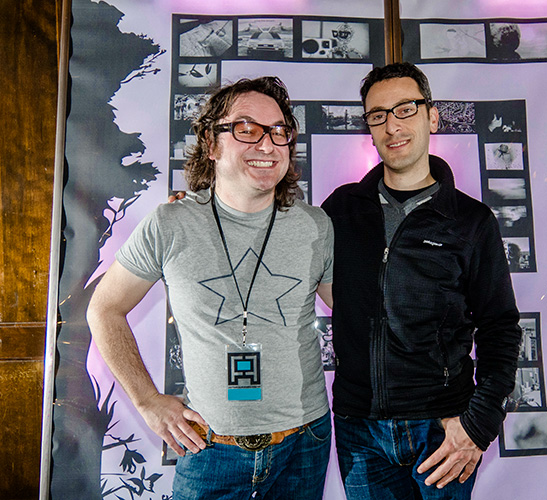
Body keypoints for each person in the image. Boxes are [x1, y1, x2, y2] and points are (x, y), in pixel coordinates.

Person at [87, 76, 334, 500]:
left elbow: (356, 309)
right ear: (211, 143)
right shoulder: (171, 223)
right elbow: (104, 310)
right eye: (246, 128)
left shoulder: (316, 225)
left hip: (304, 444)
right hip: (210, 447)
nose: (267, 143)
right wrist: (146, 400)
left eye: (279, 131)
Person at [321, 62, 522, 499]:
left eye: (405, 109)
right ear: (369, 128)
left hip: (441, 428)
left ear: (432, 116)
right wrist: (202, 205)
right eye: (378, 115)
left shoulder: (471, 221)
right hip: (359, 430)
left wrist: (478, 425)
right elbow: (275, 235)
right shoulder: (341, 209)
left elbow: (500, 329)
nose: (392, 125)